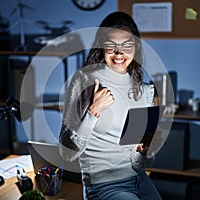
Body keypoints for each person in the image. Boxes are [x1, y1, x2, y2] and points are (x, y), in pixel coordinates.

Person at [59, 11, 162, 200]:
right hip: (103, 186)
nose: (119, 53)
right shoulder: (84, 81)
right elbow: (66, 153)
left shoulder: (142, 90)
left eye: (127, 46)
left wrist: (146, 150)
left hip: (137, 179)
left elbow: (139, 161)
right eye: (111, 46)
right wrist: (93, 111)